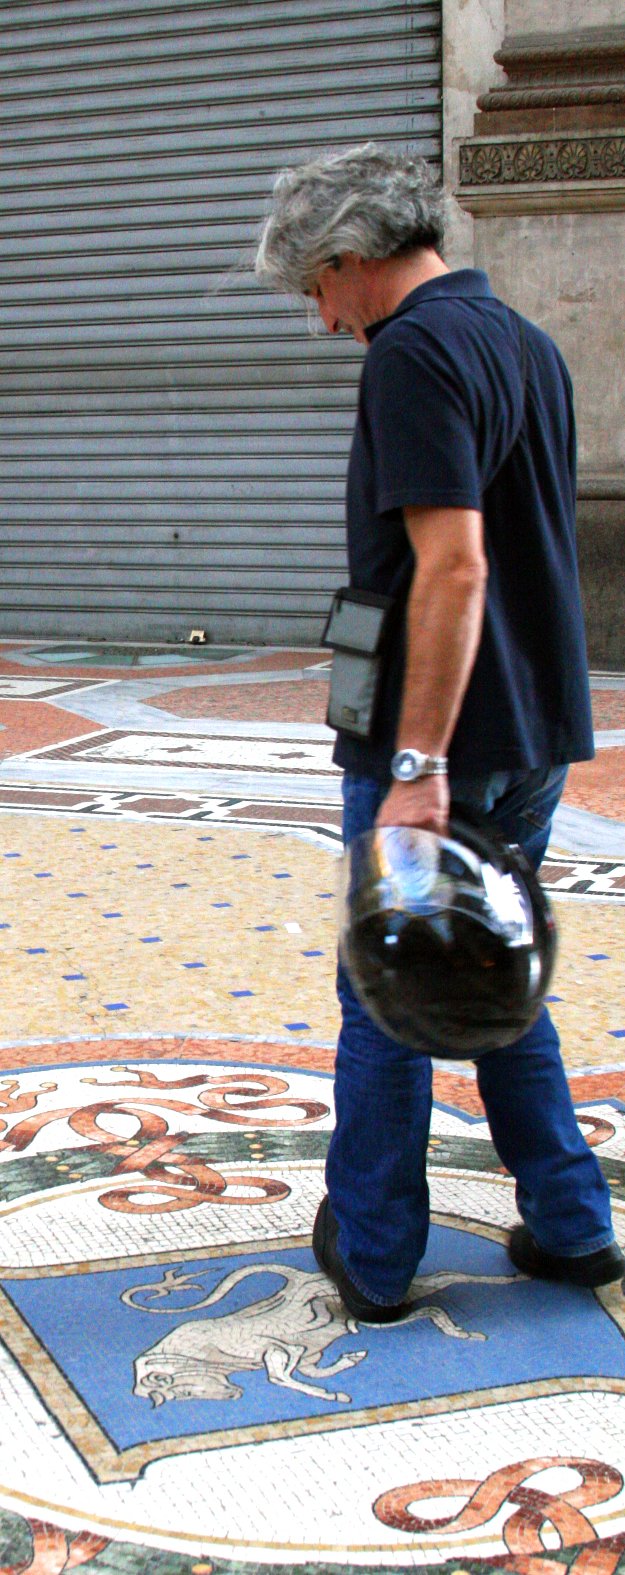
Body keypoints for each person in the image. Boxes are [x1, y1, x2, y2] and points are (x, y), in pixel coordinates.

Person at [253, 143, 623, 1320]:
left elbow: (453, 565)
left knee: (391, 994)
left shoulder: (413, 351)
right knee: (488, 970)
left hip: (445, 742)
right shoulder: (524, 339)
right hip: (534, 724)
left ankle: (370, 1252)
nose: (318, 319)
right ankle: (570, 1225)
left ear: (355, 259)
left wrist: (416, 767)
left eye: (315, 288)